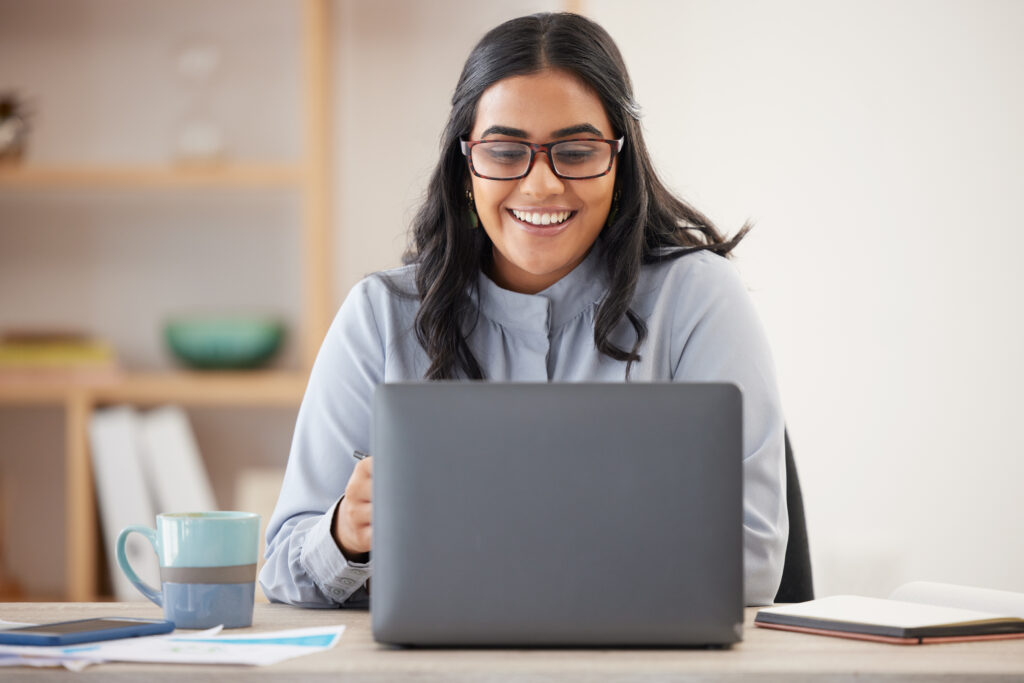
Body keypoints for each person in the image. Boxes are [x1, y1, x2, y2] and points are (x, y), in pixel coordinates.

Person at [259, 12, 788, 609]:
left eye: (578, 151)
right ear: (465, 169)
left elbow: (752, 560)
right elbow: (282, 567)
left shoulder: (697, 299)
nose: (540, 186)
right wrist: (344, 536)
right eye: (506, 151)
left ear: (620, 164)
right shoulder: (380, 316)